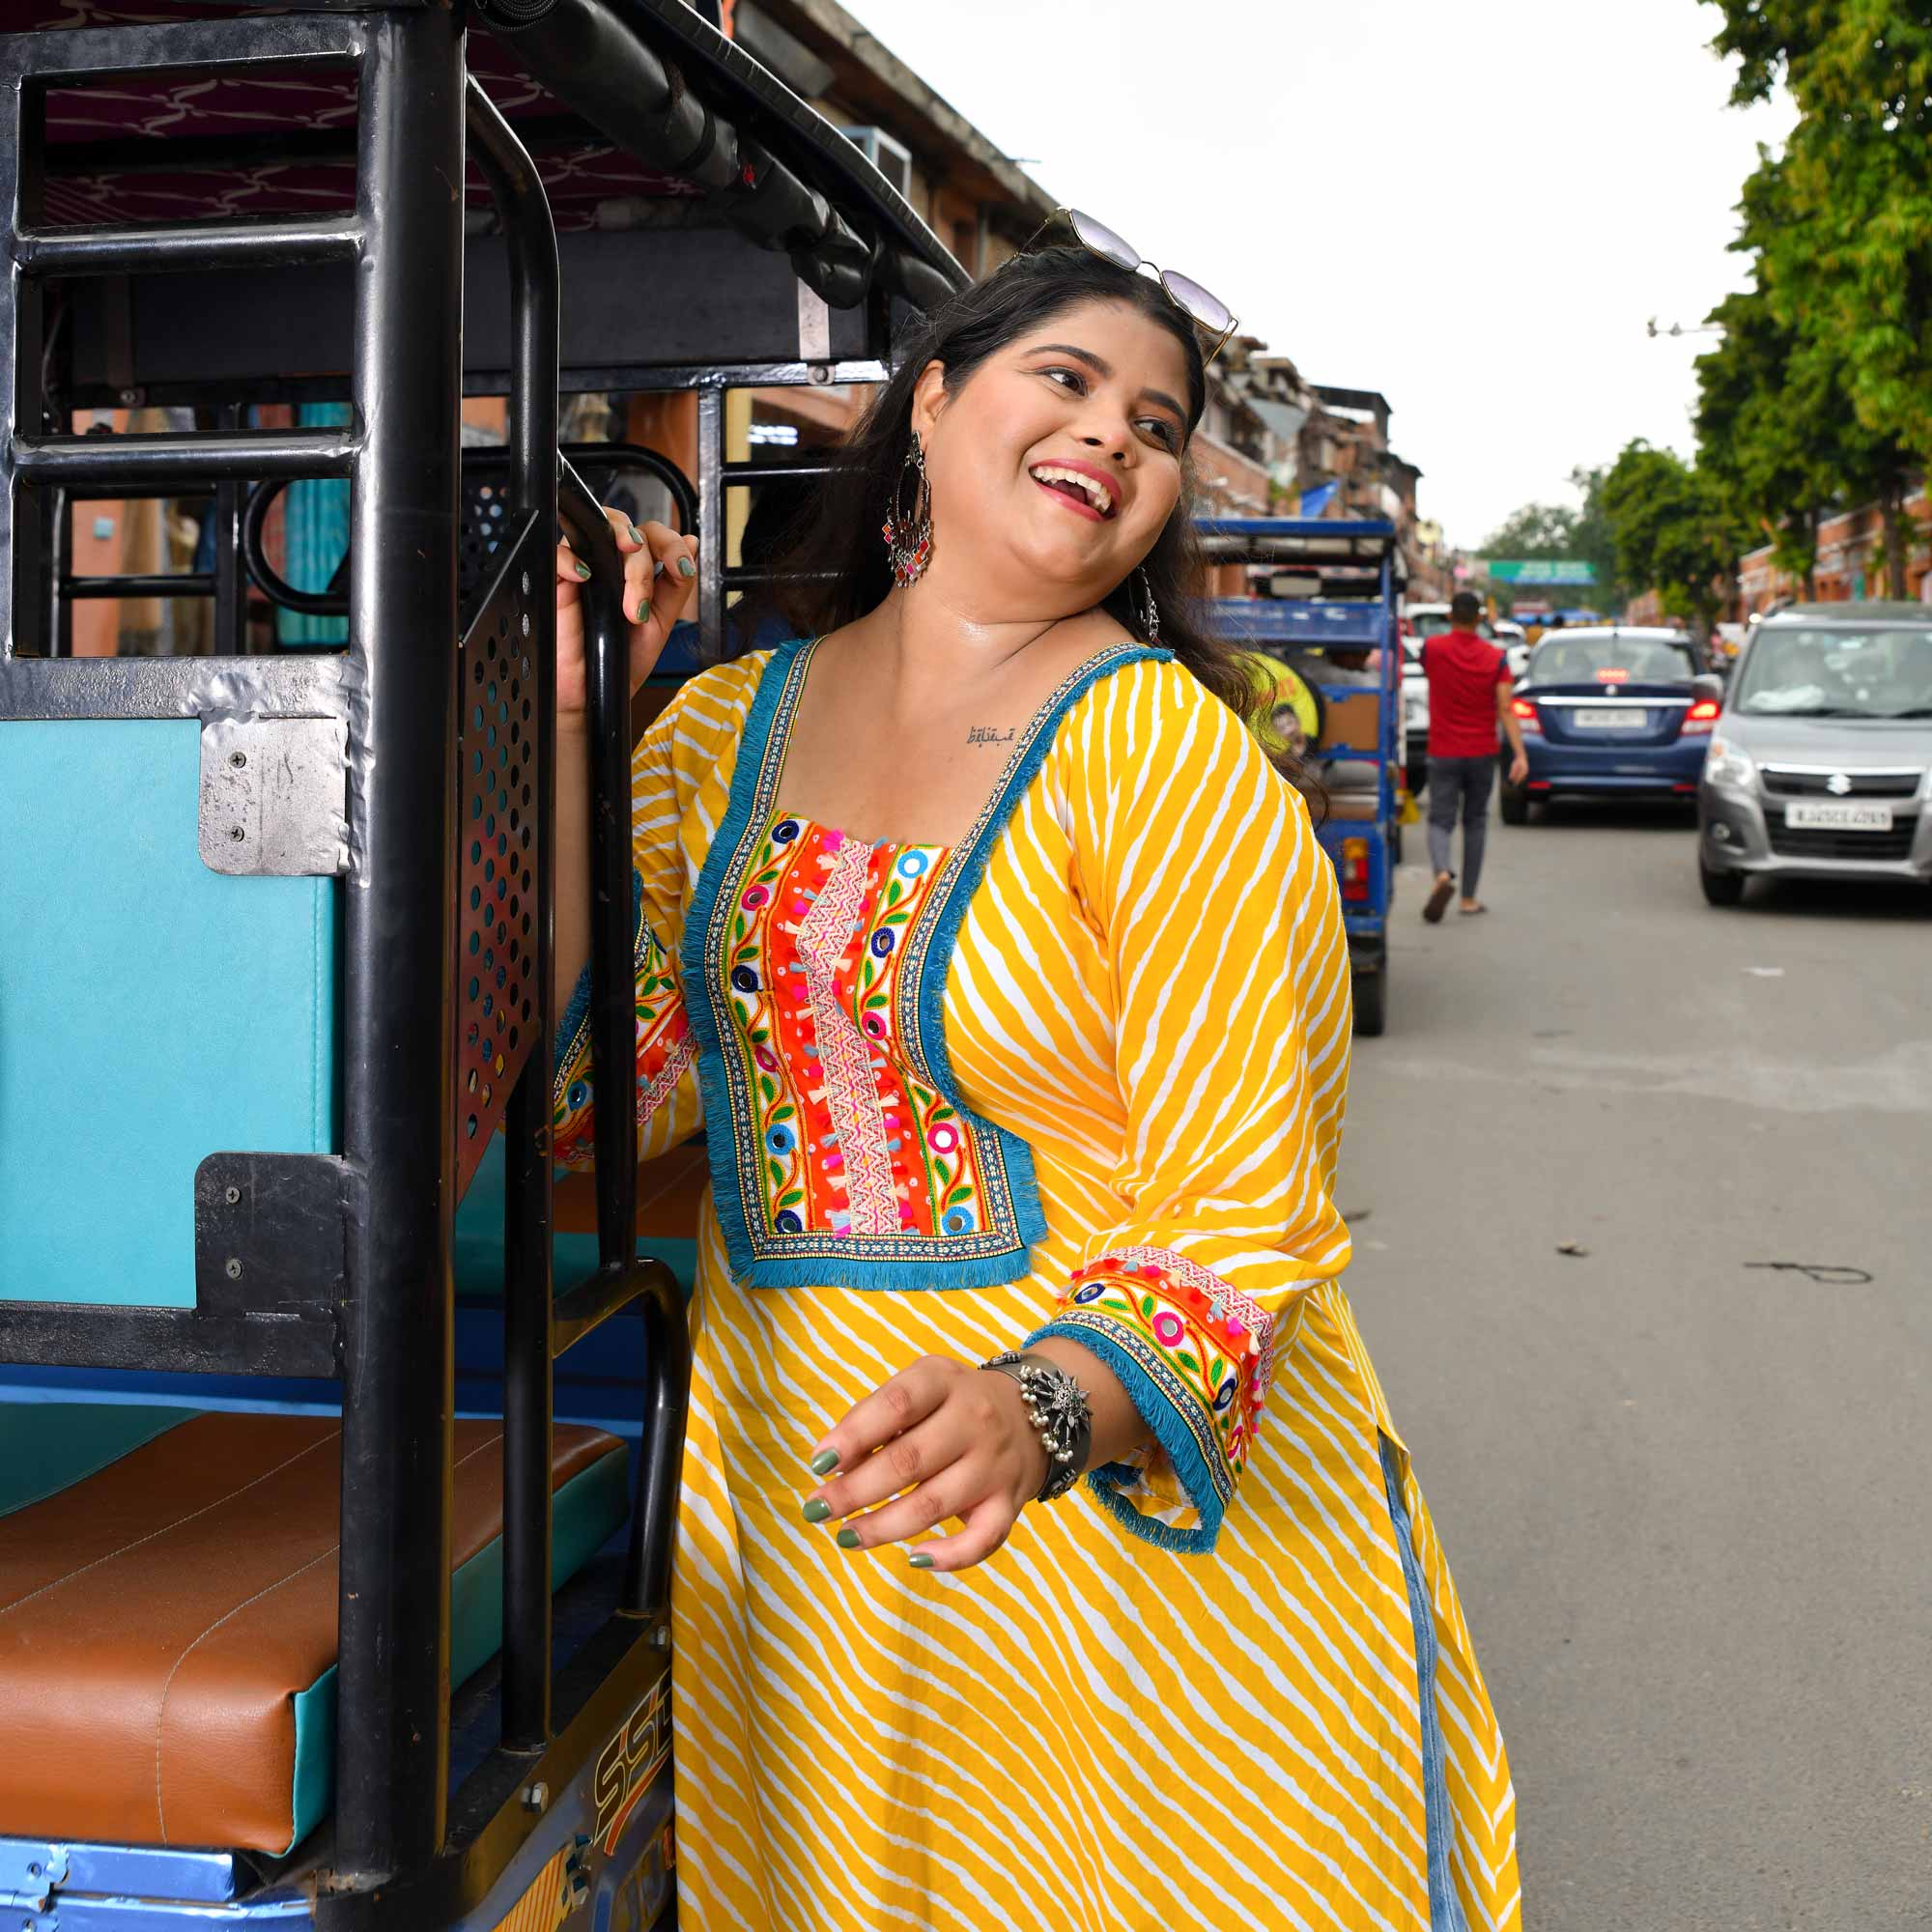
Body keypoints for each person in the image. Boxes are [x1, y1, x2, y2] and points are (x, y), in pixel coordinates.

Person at [551, 233, 1519, 1931]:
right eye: (1066, 381)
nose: (1113, 437)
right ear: (930, 403)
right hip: (821, 1541)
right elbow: (600, 1096)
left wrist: (1043, 1409)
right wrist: (571, 721)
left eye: (1157, 424)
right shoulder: (714, 736)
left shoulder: (1169, 760)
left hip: (1144, 1581)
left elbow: (1241, 1212)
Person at [1421, 590, 1526, 921]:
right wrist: (1519, 755)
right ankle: (1468, 898)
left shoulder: (1433, 649)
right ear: (1480, 619)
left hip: (1443, 750)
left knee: (1441, 819)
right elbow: (1506, 708)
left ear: (1450, 617)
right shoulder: (1496, 658)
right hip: (1482, 752)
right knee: (1476, 822)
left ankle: (1441, 873)